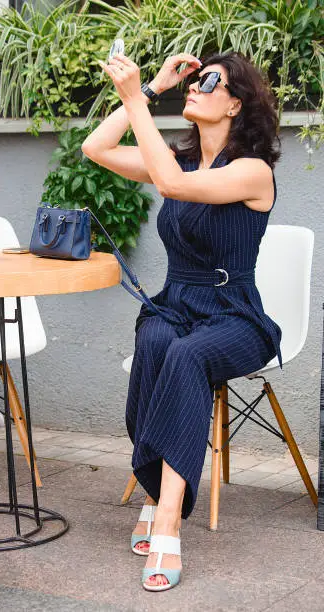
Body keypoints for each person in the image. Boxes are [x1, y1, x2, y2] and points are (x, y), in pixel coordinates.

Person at [81, 50, 282, 593]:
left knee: (187, 355)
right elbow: (94, 148)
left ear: (235, 104)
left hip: (234, 315)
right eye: (194, 79)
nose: (195, 86)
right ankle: (153, 493)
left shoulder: (252, 172)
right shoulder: (180, 160)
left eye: (208, 81)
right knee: (156, 342)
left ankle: (166, 521)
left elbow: (170, 186)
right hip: (176, 303)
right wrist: (150, 91)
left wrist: (131, 96)